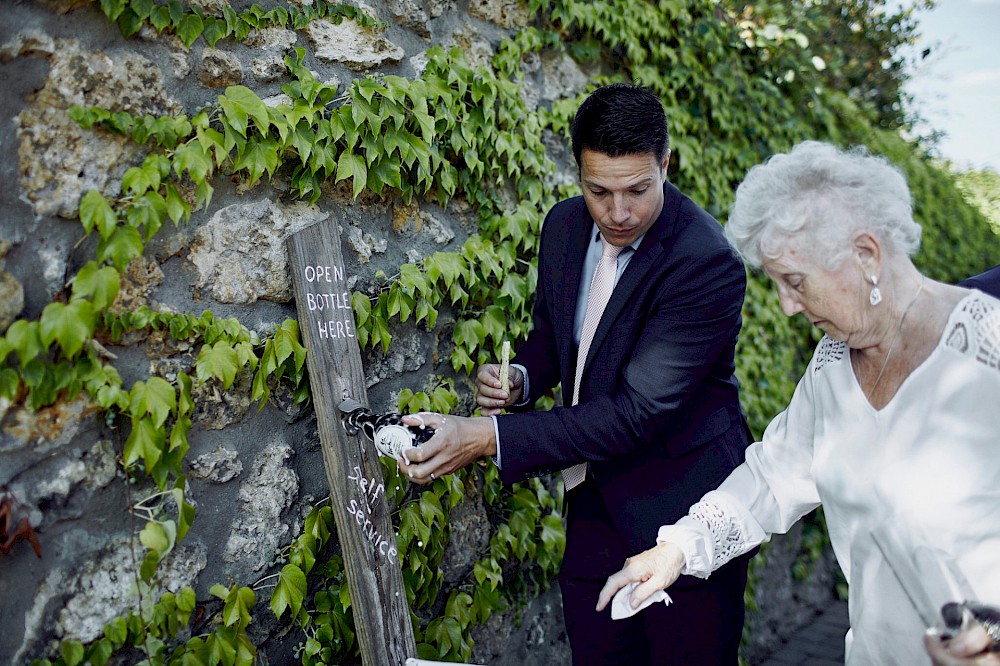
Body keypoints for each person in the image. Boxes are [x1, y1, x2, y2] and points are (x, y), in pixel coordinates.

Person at [595, 141, 1000, 665]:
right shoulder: (834, 363)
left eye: (795, 282)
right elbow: (773, 475)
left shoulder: (986, 351)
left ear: (867, 256)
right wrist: (678, 549)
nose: (787, 307)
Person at [397, 83, 755, 664]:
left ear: (667, 164)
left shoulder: (705, 261)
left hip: (686, 508)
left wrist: (488, 438)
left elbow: (637, 412)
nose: (618, 213)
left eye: (638, 190)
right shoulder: (562, 227)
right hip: (593, 502)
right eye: (598, 191)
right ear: (578, 175)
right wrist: (522, 380)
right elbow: (554, 338)